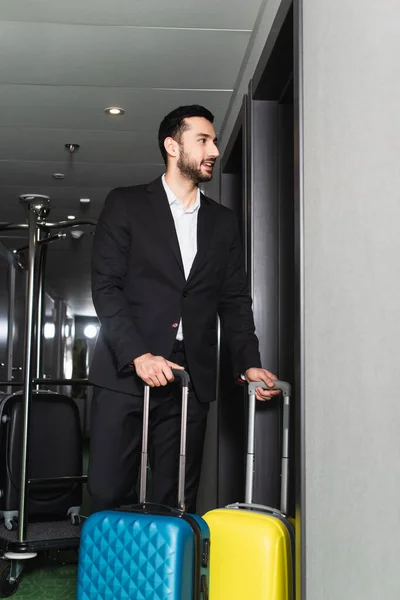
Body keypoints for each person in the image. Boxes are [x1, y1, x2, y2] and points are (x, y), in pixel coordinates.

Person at [87, 105, 280, 514]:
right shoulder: (126, 204)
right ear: (172, 146)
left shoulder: (223, 223)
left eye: (214, 140)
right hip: (125, 369)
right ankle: (112, 577)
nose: (214, 149)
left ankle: (167, 579)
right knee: (108, 491)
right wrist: (138, 354)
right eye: (203, 140)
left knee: (175, 497)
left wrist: (248, 362)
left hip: (189, 375)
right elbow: (106, 288)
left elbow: (233, 300)